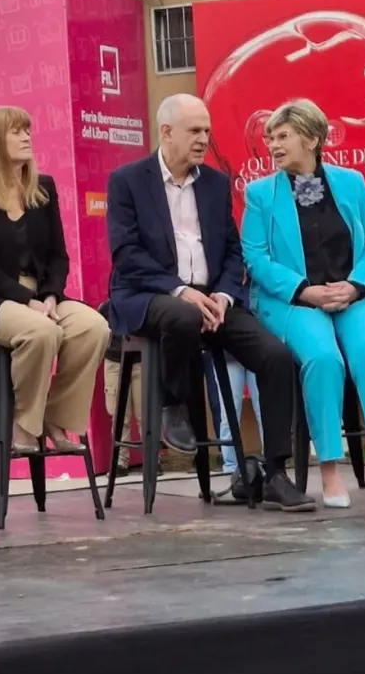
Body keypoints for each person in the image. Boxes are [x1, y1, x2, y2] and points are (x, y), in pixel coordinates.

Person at [106, 93, 314, 512]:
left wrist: (223, 293)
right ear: (166, 132)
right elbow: (126, 254)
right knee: (182, 316)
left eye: (206, 130)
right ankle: (174, 403)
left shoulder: (216, 184)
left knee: (275, 355)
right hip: (151, 294)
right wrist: (180, 290)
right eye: (195, 131)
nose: (204, 138)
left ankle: (275, 473)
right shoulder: (127, 180)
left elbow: (233, 250)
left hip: (212, 297)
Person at [241, 98, 365, 506]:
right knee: (324, 358)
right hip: (294, 300)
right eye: (271, 138)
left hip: (353, 295)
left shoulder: (351, 182)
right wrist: (304, 290)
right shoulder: (260, 194)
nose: (273, 145)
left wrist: (355, 285)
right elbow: (255, 256)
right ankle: (328, 468)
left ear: (312, 139)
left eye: (283, 136)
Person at [0, 107, 108, 453]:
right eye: (16, 131)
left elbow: (58, 256)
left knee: (93, 327)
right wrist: (27, 300)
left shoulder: (42, 187)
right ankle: (23, 424)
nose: (26, 137)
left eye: (27, 131)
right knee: (41, 331)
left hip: (39, 296)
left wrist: (49, 295)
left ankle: (55, 417)